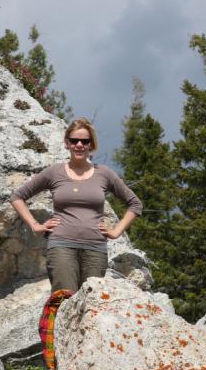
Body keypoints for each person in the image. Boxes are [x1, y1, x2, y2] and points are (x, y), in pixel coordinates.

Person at [10, 117, 142, 293]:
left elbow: (135, 204)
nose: (79, 144)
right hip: (61, 245)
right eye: (74, 140)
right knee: (63, 297)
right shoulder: (54, 172)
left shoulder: (105, 174)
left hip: (95, 249)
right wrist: (35, 226)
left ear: (90, 145)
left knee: (90, 302)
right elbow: (17, 197)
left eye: (85, 141)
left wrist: (116, 232)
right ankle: (51, 322)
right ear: (67, 143)